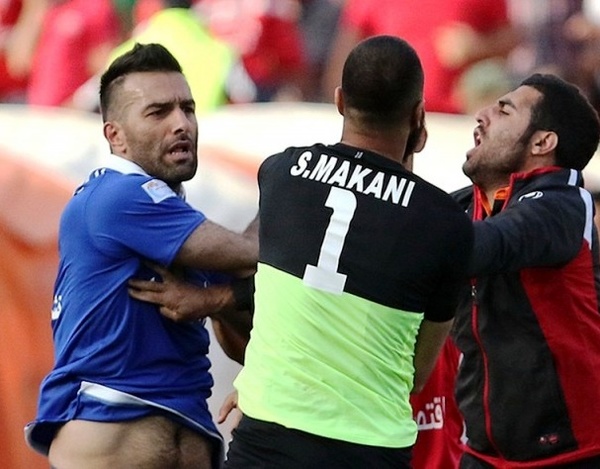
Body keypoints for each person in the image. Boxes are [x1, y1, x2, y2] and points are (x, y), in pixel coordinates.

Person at [221, 35, 472, 468]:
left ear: (339, 101)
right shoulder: (446, 223)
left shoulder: (280, 173)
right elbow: (417, 374)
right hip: (369, 450)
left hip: (266, 443)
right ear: (418, 115)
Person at [24, 42, 257, 469]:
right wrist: (286, 197)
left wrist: (215, 300)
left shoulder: (185, 224)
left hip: (193, 430)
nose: (181, 124)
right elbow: (259, 257)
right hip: (103, 430)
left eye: (188, 109)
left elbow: (247, 340)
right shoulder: (114, 196)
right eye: (158, 112)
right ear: (115, 136)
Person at [452, 73, 600, 467]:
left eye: (504, 110)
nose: (482, 115)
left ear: (542, 142)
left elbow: (486, 246)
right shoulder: (466, 206)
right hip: (481, 453)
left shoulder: (564, 204)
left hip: (573, 456)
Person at [322, 0, 520, 114]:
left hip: (456, 122)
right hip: (389, 123)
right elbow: (343, 58)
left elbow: (511, 38)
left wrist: (477, 47)